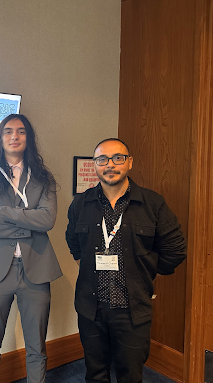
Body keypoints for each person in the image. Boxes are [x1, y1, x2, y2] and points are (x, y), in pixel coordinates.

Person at [65, 138, 186, 382]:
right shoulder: (81, 203)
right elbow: (74, 243)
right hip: (92, 308)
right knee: (95, 372)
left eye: (117, 158)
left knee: (130, 374)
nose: (110, 165)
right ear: (96, 165)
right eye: (102, 159)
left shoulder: (152, 203)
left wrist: (146, 273)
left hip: (133, 310)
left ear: (129, 162)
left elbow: (175, 249)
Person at [0, 114, 62, 383]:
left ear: (28, 138)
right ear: (0, 139)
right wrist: (28, 222)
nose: (14, 136)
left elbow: (48, 220)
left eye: (21, 132)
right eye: (8, 131)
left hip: (36, 270)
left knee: (37, 346)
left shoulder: (43, 178)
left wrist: (6, 212)